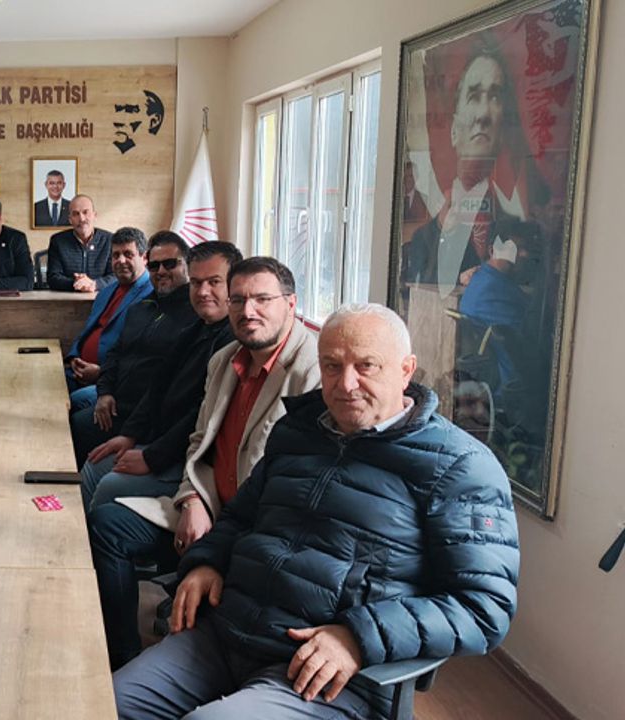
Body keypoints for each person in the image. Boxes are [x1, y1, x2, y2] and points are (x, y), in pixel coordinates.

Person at [113, 304, 520, 720]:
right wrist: (207, 561)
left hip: (330, 674)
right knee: (100, 704)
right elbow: (239, 517)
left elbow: (484, 607)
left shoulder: (459, 467)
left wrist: (359, 638)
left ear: (406, 370)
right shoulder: (298, 430)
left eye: (366, 366)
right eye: (332, 366)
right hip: (226, 634)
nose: (346, 384)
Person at [90, 256, 319, 669]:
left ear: (291, 303)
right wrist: (192, 498)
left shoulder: (314, 373)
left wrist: (221, 535)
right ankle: (121, 654)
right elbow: (200, 442)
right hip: (208, 506)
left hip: (257, 528)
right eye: (239, 300)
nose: (248, 311)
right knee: (106, 525)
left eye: (262, 299)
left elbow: (301, 488)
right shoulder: (225, 359)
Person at [80, 241, 240, 511]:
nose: (203, 292)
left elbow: (202, 416)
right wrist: (130, 435)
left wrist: (151, 457)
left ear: (233, 287)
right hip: (154, 435)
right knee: (94, 464)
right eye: (197, 282)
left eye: (214, 282)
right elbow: (158, 386)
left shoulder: (232, 341)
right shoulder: (195, 328)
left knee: (108, 482)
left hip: (190, 460)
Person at [402, 45, 535, 296]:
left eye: (494, 97)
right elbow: (417, 296)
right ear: (454, 131)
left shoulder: (519, 233)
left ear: (502, 132)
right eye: (474, 96)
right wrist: (444, 234)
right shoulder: (423, 240)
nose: (483, 114)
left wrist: (490, 273)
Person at [68, 232, 196, 465]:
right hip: (116, 396)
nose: (161, 271)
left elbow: (163, 386)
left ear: (187, 265)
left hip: (142, 416)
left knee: (75, 424)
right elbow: (116, 352)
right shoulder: (141, 308)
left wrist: (131, 432)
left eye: (170, 264)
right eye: (155, 265)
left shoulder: (193, 317)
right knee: (70, 413)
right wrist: (105, 392)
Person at [64, 227, 152, 403]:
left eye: (128, 254)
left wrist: (101, 373)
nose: (121, 260)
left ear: (144, 258)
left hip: (112, 381)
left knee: (72, 402)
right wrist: (74, 357)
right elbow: (87, 330)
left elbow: (139, 355)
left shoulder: (151, 295)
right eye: (116, 255)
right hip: (79, 370)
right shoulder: (106, 291)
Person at [45, 194, 114, 292]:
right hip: (68, 298)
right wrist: (77, 283)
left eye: (85, 212)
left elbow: (116, 276)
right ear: (70, 220)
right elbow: (53, 278)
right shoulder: (58, 241)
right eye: (75, 214)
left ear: (95, 216)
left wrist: (95, 284)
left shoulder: (110, 240)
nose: (81, 218)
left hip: (102, 297)